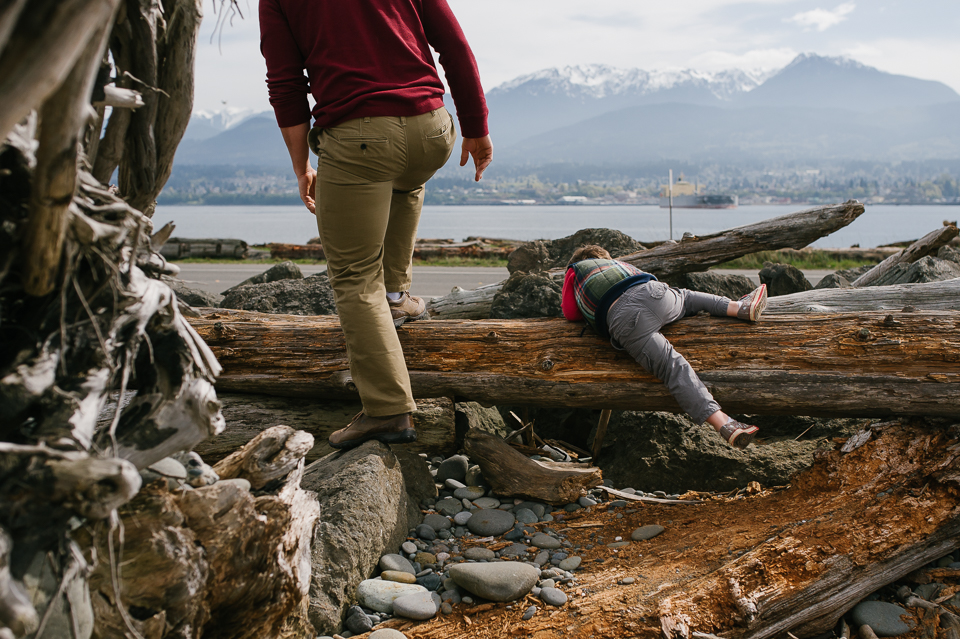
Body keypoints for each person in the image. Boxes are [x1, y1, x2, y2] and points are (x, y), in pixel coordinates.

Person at [259, 0, 493, 450]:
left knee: (352, 276)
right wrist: (476, 125)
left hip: (360, 135)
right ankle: (396, 296)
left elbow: (285, 83)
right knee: (404, 181)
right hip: (433, 129)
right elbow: (454, 45)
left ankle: (387, 410)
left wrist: (301, 165)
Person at [562, 245, 767, 448]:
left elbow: (570, 312)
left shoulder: (575, 269)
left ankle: (725, 424)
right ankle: (740, 307)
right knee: (687, 298)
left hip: (625, 320)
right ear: (605, 257)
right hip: (655, 294)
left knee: (673, 368)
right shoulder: (615, 264)